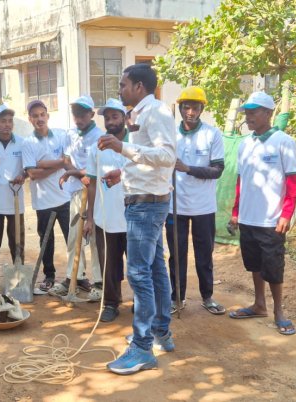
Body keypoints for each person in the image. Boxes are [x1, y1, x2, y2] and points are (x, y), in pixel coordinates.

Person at [98, 63, 177, 375]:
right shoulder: (143, 113)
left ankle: (143, 348)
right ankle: (160, 333)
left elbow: (167, 156)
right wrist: (123, 170)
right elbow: (148, 156)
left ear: (140, 87)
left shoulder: (156, 112)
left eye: (123, 85)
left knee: (140, 274)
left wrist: (121, 147)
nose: (120, 90)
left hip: (147, 206)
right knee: (155, 269)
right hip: (145, 200)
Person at [228, 91, 296, 336]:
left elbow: (292, 182)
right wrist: (236, 211)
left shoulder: (284, 141)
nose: (249, 116)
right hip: (248, 216)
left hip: (272, 218)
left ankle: (279, 311)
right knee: (254, 263)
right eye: (247, 112)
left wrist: (286, 214)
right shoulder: (245, 144)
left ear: (269, 113)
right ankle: (259, 304)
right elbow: (241, 180)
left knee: (273, 265)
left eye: (254, 111)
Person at [167, 87, 226, 315]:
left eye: (195, 107)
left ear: (202, 109)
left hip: (203, 207)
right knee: (176, 255)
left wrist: (187, 168)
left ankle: (207, 297)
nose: (190, 112)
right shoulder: (171, 135)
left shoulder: (212, 134)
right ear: (180, 108)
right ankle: (177, 298)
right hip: (176, 206)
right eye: (186, 107)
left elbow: (217, 170)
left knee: (204, 254)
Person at [50, 95, 104, 300]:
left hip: (95, 193)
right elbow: (65, 160)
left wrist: (82, 175)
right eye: (75, 113)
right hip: (76, 191)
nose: (78, 117)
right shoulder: (69, 134)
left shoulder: (99, 137)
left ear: (91, 114)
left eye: (82, 114)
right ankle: (74, 276)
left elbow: (96, 170)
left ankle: (98, 282)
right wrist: (80, 175)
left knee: (94, 238)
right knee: (74, 236)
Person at [84, 98, 130, 322]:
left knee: (139, 264)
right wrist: (90, 216)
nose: (111, 121)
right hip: (106, 217)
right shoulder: (97, 148)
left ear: (124, 118)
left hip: (134, 216)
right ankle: (111, 303)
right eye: (107, 117)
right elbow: (92, 183)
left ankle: (142, 302)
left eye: (115, 116)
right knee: (109, 264)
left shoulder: (136, 145)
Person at [21, 99, 71, 294]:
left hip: (65, 197)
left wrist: (43, 164)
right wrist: (58, 163)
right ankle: (49, 275)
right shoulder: (28, 143)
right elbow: (32, 174)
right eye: (35, 116)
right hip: (43, 202)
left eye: (42, 114)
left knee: (72, 239)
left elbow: (69, 161)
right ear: (30, 119)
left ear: (47, 116)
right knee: (46, 241)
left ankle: (77, 276)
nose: (39, 119)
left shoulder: (60, 135)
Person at [0, 104, 26, 263]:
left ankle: (18, 270)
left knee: (17, 239)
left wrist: (22, 175)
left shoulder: (22, 142)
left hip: (15, 198)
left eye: (10, 121)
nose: (7, 124)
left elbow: (28, 167)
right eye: (3, 121)